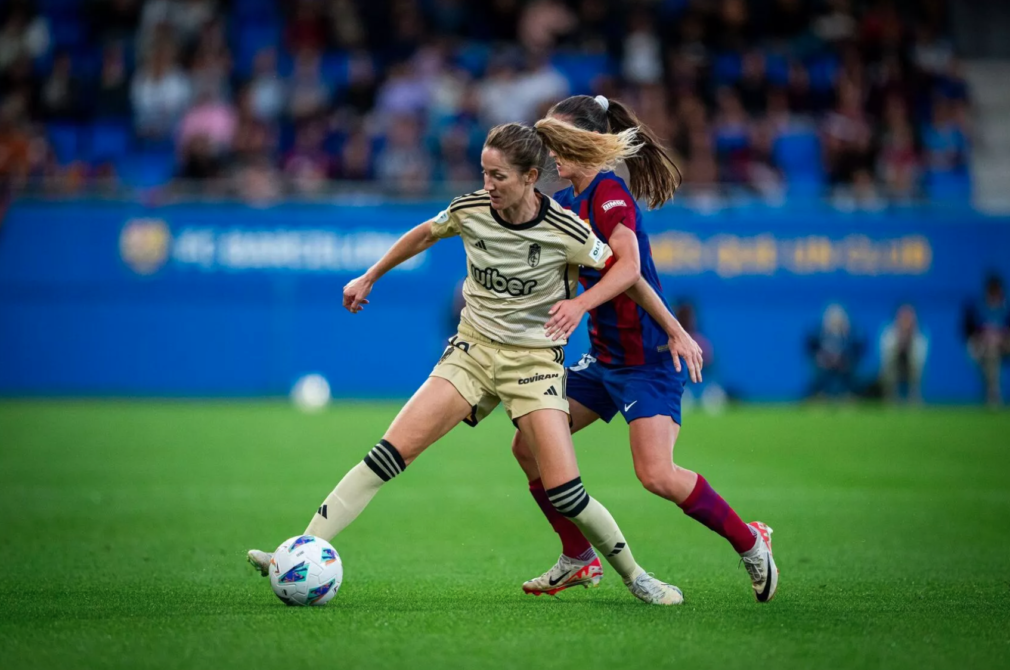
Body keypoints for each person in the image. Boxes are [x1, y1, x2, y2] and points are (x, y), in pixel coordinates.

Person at [248, 119, 686, 605]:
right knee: (387, 456)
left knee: (566, 493)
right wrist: (370, 276)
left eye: (499, 176)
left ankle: (635, 576)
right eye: (484, 173)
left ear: (530, 176)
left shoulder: (567, 229)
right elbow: (423, 234)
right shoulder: (470, 209)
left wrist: (673, 329)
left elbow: (630, 275)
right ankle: (303, 550)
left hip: (534, 366)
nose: (488, 185)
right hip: (471, 354)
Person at [511, 95, 778, 604]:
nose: (552, 155)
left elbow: (629, 269)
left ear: (588, 143)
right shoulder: (568, 204)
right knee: (528, 445)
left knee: (656, 474)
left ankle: (750, 541)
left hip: (645, 364)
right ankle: (577, 558)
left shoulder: (610, 194)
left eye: (560, 143)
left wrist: (591, 309)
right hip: (604, 361)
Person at [963, 275, 1010, 407]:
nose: (994, 294)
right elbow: (967, 331)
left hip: (1005, 343)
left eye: (997, 291)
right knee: (991, 351)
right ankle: (993, 395)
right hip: (982, 346)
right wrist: (983, 335)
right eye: (992, 291)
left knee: (993, 347)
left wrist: (1001, 335)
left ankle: (993, 394)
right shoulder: (977, 308)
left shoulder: (1007, 308)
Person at [808, 303, 863, 399]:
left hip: (844, 364)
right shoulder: (818, 334)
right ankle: (819, 394)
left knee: (848, 366)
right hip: (825, 364)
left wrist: (842, 358)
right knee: (818, 367)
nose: (835, 321)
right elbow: (812, 349)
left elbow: (855, 351)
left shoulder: (850, 335)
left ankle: (848, 394)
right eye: (832, 318)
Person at [879, 304, 927, 404]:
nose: (906, 321)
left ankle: (914, 398)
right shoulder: (889, 333)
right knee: (888, 370)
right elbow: (886, 357)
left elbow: (920, 359)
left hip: (911, 367)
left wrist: (909, 342)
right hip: (894, 366)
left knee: (916, 369)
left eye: (909, 317)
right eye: (903, 317)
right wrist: (899, 344)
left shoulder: (919, 336)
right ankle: (891, 398)